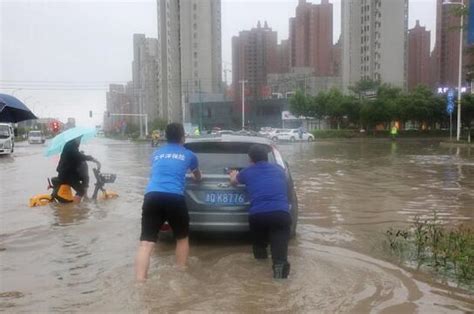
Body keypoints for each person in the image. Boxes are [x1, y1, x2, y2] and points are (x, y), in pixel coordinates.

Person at [135, 123, 202, 281]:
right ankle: (180, 275)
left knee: (146, 243)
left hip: (151, 196)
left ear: (165, 136)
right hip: (174, 198)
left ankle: (139, 282)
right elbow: (197, 176)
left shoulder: (156, 153)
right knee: (182, 238)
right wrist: (195, 176)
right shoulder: (189, 155)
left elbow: (159, 171)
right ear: (182, 136)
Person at [229, 144, 292, 279]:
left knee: (259, 247)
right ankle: (279, 282)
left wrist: (233, 174)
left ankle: (259, 273)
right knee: (279, 253)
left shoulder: (247, 172)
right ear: (267, 157)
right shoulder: (279, 170)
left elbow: (233, 182)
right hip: (281, 214)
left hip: (258, 216)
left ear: (251, 159)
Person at [55, 137, 100, 203]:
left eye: (80, 139)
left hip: (67, 172)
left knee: (85, 177)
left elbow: (76, 156)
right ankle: (76, 208)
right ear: (75, 138)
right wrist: (92, 158)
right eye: (79, 139)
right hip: (67, 174)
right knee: (81, 191)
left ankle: (85, 197)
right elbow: (78, 156)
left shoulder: (71, 145)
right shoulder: (71, 146)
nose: (80, 140)